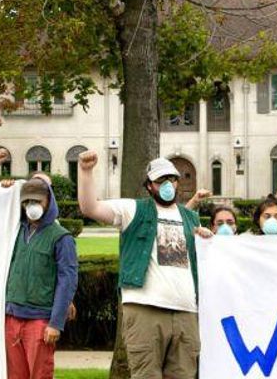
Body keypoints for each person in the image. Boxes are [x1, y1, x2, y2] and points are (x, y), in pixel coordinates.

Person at [76, 151, 202, 379]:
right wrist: (86, 172)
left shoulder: (191, 218)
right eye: (160, 180)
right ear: (149, 186)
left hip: (186, 312)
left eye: (171, 179)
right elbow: (90, 208)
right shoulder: (132, 210)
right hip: (145, 309)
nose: (167, 185)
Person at [0, 148, 79, 379]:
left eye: (37, 200)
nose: (32, 206)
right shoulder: (15, 230)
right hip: (11, 318)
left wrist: (55, 323)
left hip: (40, 321)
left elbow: (67, 280)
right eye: (27, 201)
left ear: (48, 200)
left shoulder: (61, 237)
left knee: (39, 375)